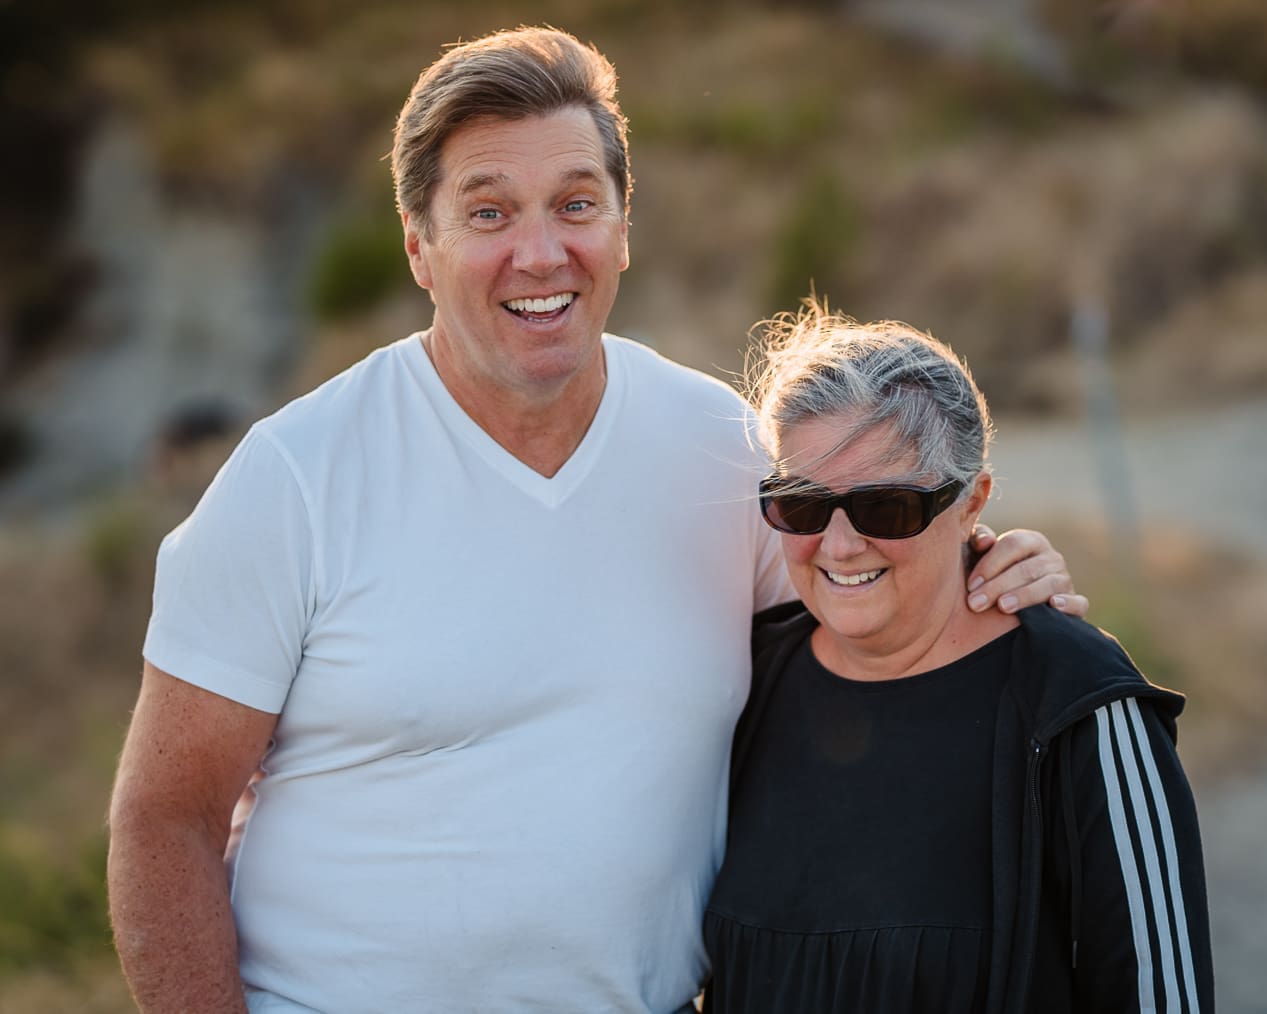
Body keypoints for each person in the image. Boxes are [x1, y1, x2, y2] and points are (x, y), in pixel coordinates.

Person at [107, 27, 1086, 1014]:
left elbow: (873, 613)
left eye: (576, 203)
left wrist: (989, 571)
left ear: (622, 227)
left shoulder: (726, 453)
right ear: (419, 246)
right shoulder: (296, 477)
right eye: (487, 211)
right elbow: (165, 820)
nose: (540, 253)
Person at [703, 303, 1213, 1013]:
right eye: (802, 504)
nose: (841, 544)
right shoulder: (744, 677)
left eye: (887, 507)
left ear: (972, 502)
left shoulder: (1080, 708)